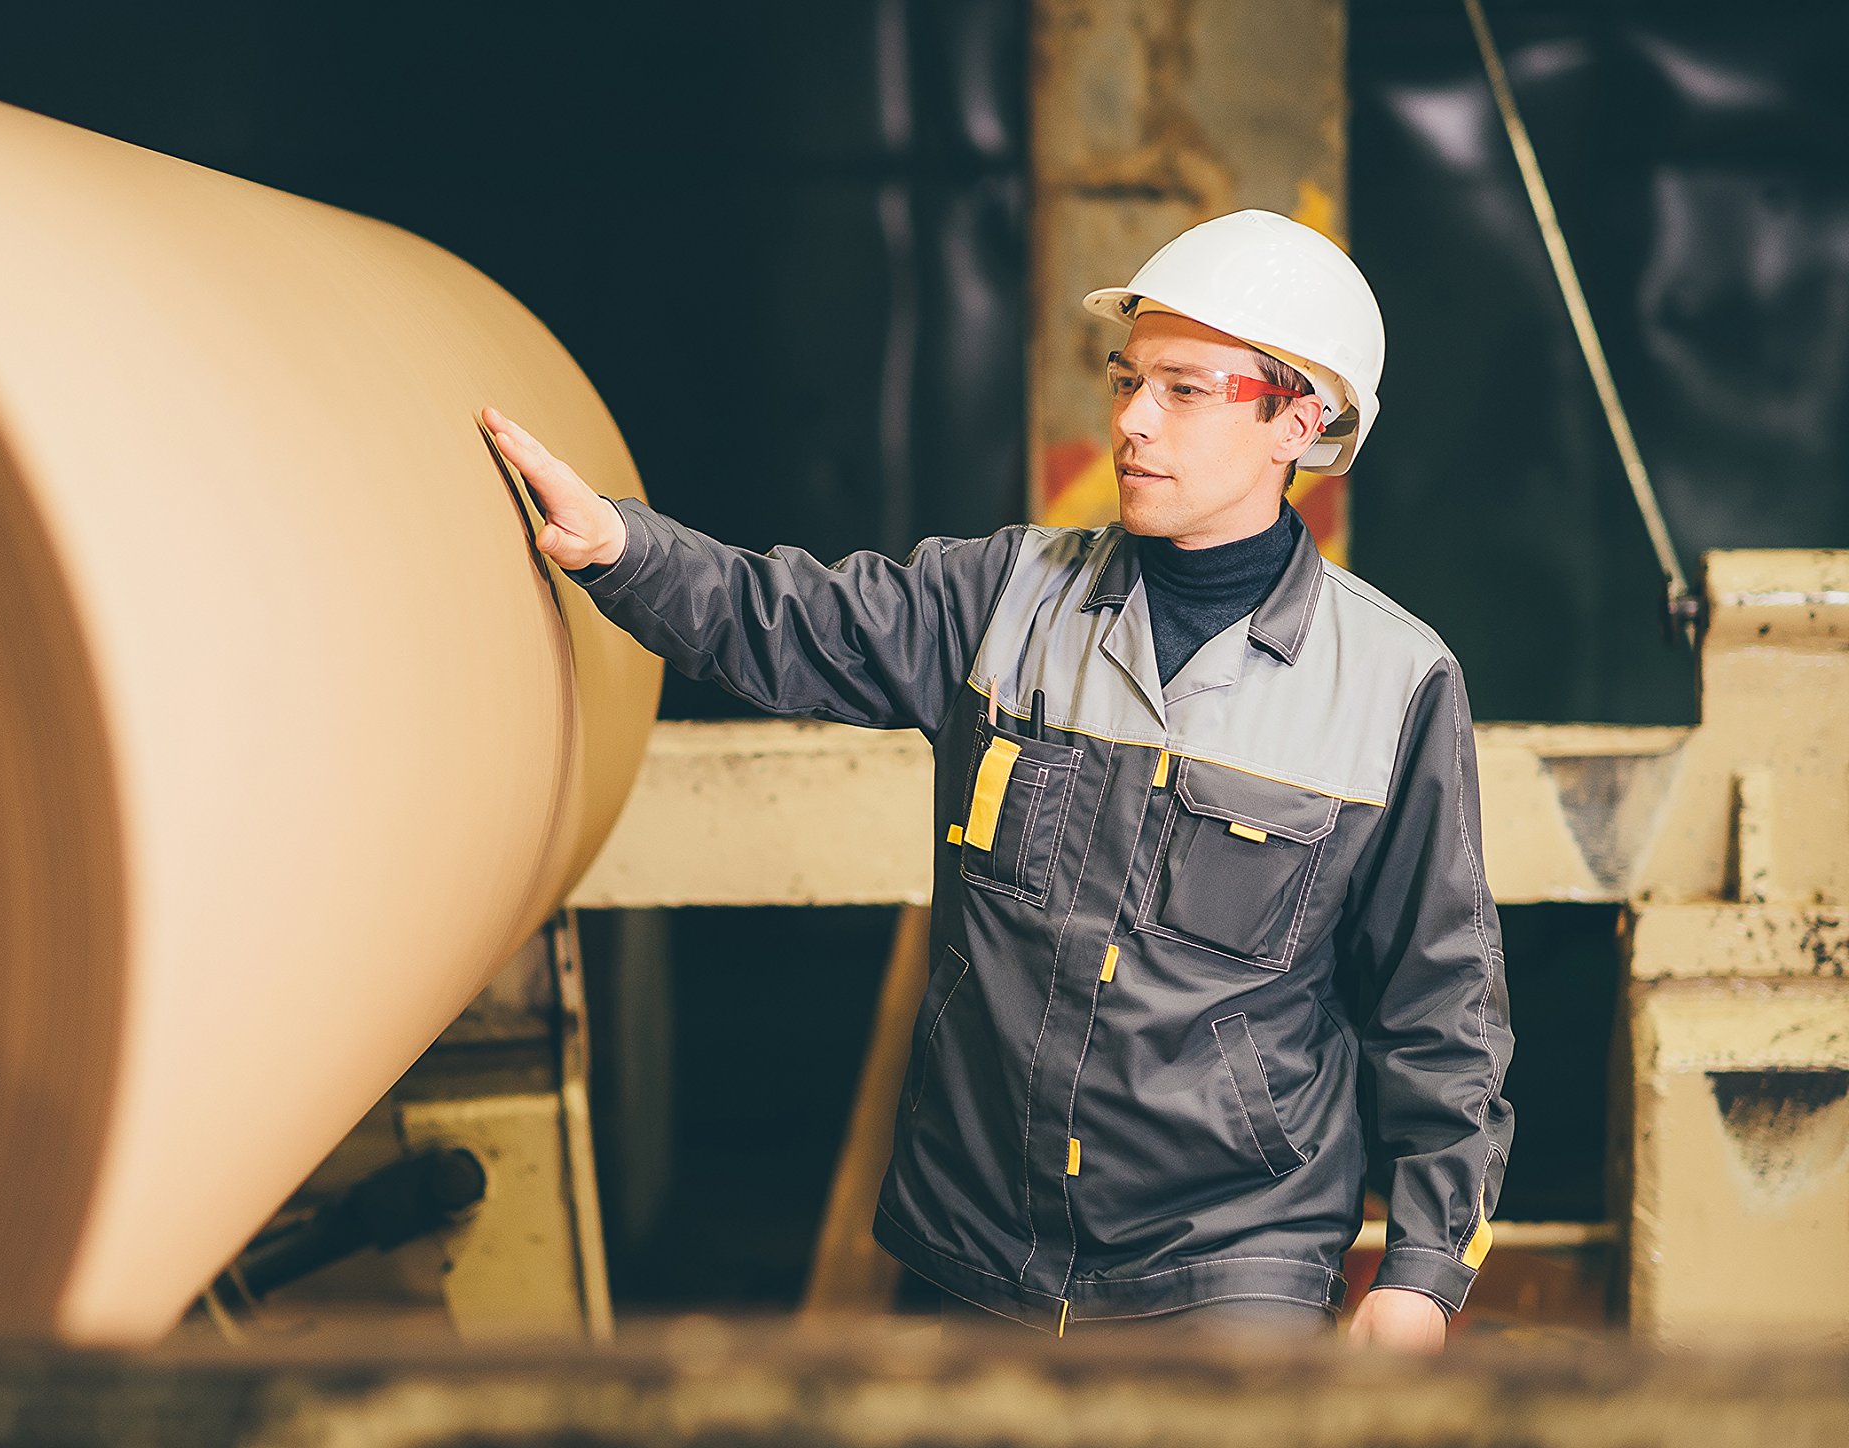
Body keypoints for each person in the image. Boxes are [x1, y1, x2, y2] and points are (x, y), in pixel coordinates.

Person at [483, 210, 1513, 1351]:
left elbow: (1442, 1010)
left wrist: (1420, 1272)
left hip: (1228, 1267)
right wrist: (622, 550)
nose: (1129, 420)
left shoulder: (1393, 680)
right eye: (1126, 380)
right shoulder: (1003, 597)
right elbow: (784, 618)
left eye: (1181, 389)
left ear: (1297, 418)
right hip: (979, 1243)